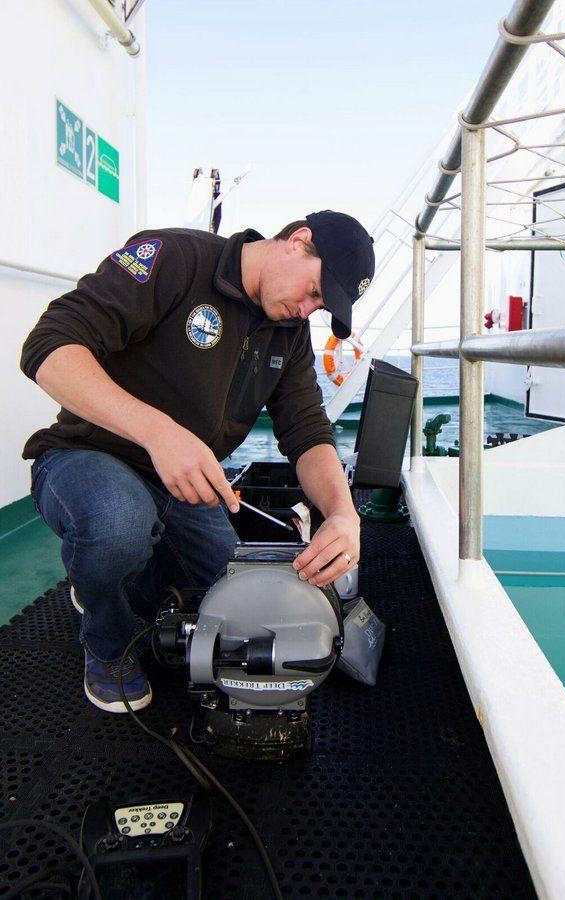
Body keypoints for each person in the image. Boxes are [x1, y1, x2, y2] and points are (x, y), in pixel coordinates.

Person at [20, 210, 375, 713]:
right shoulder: (176, 259)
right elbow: (48, 346)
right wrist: (159, 434)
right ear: (298, 242)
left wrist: (343, 512)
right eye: (315, 292)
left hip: (187, 487)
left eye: (320, 306)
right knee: (118, 523)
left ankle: (111, 581)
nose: (307, 311)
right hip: (88, 456)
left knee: (237, 605)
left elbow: (307, 431)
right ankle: (105, 642)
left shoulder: (289, 334)